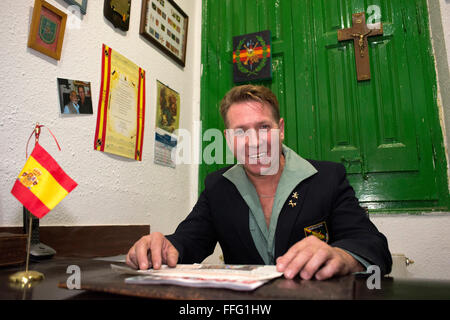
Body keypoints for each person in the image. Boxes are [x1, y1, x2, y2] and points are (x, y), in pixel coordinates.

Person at [126, 85, 392, 280]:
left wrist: (342, 256)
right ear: (229, 139)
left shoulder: (328, 178)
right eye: (240, 132)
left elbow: (373, 246)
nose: (254, 142)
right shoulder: (218, 186)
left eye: (264, 127)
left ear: (281, 129)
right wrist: (163, 247)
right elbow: (188, 241)